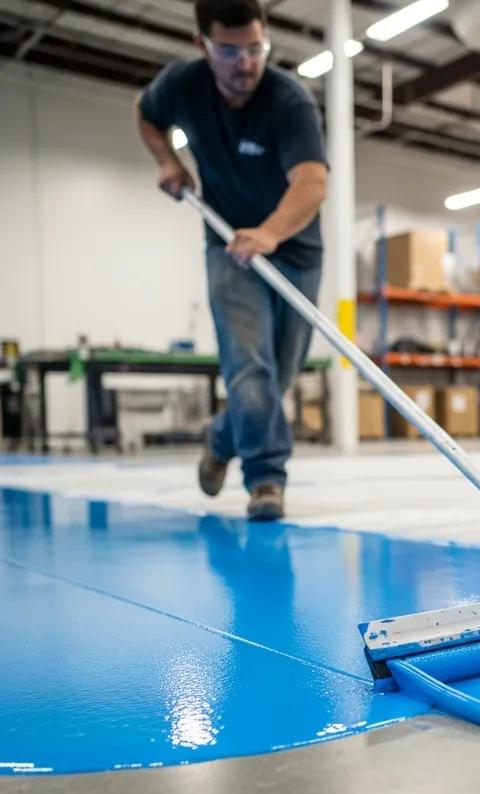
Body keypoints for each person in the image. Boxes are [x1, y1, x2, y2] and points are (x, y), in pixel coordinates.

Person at [134, 0, 328, 520]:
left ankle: (221, 437)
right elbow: (145, 115)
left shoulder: (288, 101)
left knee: (275, 381)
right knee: (249, 369)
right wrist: (168, 161)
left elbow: (312, 183)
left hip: (295, 250)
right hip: (228, 247)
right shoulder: (182, 85)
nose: (245, 63)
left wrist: (269, 233)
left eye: (255, 49)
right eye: (229, 51)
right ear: (202, 45)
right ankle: (266, 480)